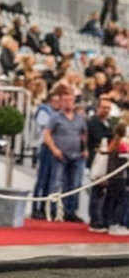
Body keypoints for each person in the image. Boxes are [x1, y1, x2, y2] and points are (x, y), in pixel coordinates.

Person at [43, 87, 88, 223]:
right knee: (56, 183)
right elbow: (47, 134)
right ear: (61, 102)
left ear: (74, 101)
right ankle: (52, 211)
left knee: (75, 184)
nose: (68, 103)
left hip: (76, 155)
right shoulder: (55, 118)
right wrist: (54, 149)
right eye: (65, 100)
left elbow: (83, 134)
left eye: (70, 100)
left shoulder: (80, 119)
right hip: (60, 155)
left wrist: (85, 149)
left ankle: (71, 211)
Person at [87, 97, 113, 231]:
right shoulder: (94, 123)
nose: (106, 110)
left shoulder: (109, 123)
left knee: (106, 191)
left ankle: (104, 218)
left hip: (108, 161)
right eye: (104, 108)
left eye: (108, 108)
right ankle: (95, 220)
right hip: (97, 160)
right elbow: (100, 138)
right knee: (97, 190)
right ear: (98, 108)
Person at [105, 123, 129, 235]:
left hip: (113, 176)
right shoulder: (122, 145)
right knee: (122, 201)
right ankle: (115, 223)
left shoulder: (113, 143)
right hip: (120, 177)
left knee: (114, 200)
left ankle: (111, 223)